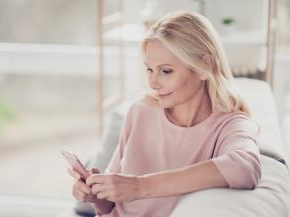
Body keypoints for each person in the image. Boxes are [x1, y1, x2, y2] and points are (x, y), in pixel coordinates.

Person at [68, 10, 262, 217]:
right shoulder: (141, 110)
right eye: (150, 70)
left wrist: (140, 187)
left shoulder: (230, 124)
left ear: (205, 66)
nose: (153, 83)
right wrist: (97, 195)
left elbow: (245, 168)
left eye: (166, 71)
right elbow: (111, 206)